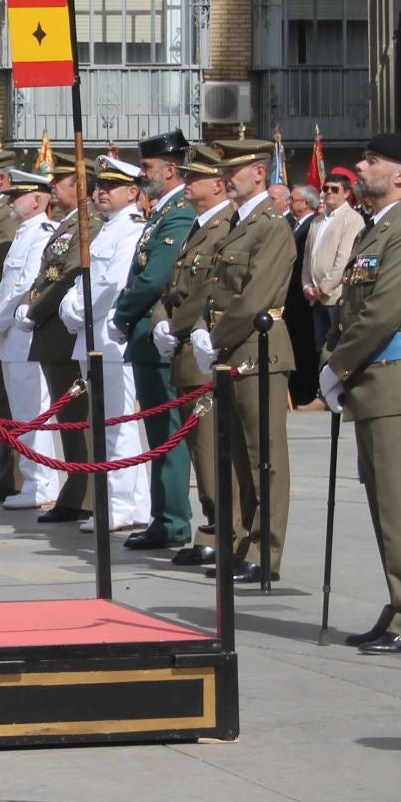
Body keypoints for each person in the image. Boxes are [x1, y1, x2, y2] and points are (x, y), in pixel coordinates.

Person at [321, 133, 401, 654]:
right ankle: (398, 605)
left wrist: (337, 364)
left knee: (400, 507)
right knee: (383, 506)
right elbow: (352, 307)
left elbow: (384, 313)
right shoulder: (378, 228)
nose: (360, 165)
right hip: (376, 383)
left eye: (372, 160)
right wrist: (337, 356)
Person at [195, 140, 298, 585]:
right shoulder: (239, 223)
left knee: (264, 457)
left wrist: (214, 337)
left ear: (259, 173)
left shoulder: (270, 226)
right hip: (231, 347)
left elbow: (254, 295)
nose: (225, 177)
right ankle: (241, 542)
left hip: (258, 347)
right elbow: (216, 287)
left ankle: (265, 550)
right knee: (238, 457)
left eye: (234, 169)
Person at [60, 156, 151, 536]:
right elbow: (84, 282)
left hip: (110, 341)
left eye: (109, 186)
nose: (99, 192)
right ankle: (127, 503)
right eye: (98, 186)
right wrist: (70, 307)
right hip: (91, 337)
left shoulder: (130, 230)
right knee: (106, 425)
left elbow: (110, 287)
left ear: (132, 193)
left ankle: (123, 505)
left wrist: (74, 310)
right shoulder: (106, 228)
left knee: (116, 427)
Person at [116, 131, 198, 552]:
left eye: (147, 167)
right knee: (159, 432)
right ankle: (164, 517)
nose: (141, 174)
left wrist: (121, 313)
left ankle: (172, 521)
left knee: (168, 433)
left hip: (160, 334)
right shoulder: (161, 212)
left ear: (170, 170)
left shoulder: (179, 212)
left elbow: (155, 278)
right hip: (147, 335)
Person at [156, 146, 237, 568]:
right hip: (184, 350)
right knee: (200, 450)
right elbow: (172, 285)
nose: (187, 184)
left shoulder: (225, 226)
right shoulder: (197, 226)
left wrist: (173, 325)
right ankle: (213, 526)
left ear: (218, 184)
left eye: (195, 178)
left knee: (209, 451)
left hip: (202, 347)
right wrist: (159, 320)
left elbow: (209, 290)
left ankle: (222, 530)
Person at [23, 154, 96, 527]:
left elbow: (68, 276)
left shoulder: (89, 223)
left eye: (62, 180)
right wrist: (29, 303)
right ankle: (75, 488)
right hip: (52, 332)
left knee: (76, 416)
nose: (53, 185)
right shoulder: (65, 224)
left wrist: (33, 310)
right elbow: (43, 275)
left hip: (64, 330)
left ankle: (83, 494)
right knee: (66, 415)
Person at [0, 170, 61, 513]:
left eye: (18, 196)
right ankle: (32, 480)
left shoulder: (42, 232)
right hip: (10, 335)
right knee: (21, 412)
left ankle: (41, 483)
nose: (11, 202)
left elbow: (27, 283)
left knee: (32, 413)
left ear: (37, 200)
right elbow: (6, 283)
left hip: (23, 335)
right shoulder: (22, 233)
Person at [302, 175, 367, 358]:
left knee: (334, 348)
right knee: (319, 344)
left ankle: (334, 386)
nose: (328, 192)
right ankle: (321, 385)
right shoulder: (317, 221)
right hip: (315, 296)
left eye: (334, 189)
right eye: (326, 189)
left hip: (336, 295)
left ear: (346, 193)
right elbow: (308, 257)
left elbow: (344, 259)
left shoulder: (352, 219)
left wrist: (323, 288)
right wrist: (306, 285)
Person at [284, 185, 321, 408]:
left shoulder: (312, 225)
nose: (290, 202)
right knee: (296, 347)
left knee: (307, 348)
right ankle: (297, 391)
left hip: (304, 297)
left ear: (305, 203)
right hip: (293, 296)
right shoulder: (292, 224)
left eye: (293, 199)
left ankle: (306, 392)